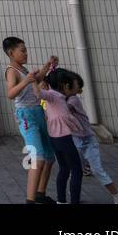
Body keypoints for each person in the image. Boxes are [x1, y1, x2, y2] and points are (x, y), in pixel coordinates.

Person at [4, 36, 58, 204]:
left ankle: (40, 195)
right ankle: (30, 200)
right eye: (23, 50)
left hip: (38, 112)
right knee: (38, 158)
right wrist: (26, 81)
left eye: (26, 49)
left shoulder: (23, 69)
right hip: (26, 116)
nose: (26, 53)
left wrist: (47, 66)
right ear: (11, 53)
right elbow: (11, 94)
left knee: (49, 157)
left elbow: (37, 79)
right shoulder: (12, 70)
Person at [63, 73, 118, 203]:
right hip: (74, 139)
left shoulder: (73, 99)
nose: (68, 86)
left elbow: (64, 109)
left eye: (72, 84)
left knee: (97, 170)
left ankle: (117, 196)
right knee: (74, 170)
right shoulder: (64, 98)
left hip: (88, 140)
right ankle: (74, 194)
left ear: (76, 89)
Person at [40, 68, 86, 205]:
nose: (76, 87)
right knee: (76, 170)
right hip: (64, 139)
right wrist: (32, 80)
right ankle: (74, 201)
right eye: (74, 84)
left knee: (64, 169)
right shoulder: (55, 96)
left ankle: (61, 200)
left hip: (54, 139)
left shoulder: (54, 96)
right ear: (65, 86)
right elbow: (39, 93)